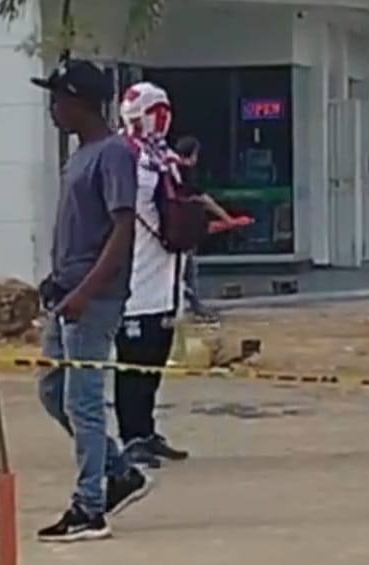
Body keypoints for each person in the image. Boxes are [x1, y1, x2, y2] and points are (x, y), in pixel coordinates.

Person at [31, 59, 152, 543]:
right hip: (68, 294)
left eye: (58, 98)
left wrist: (85, 292)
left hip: (93, 299)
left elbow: (122, 232)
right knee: (52, 391)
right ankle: (118, 471)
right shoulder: (79, 156)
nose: (53, 107)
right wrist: (58, 281)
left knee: (83, 402)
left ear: (80, 101)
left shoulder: (114, 155)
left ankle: (89, 508)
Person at [113, 81, 191, 469]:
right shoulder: (125, 157)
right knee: (133, 363)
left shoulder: (162, 158)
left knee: (156, 359)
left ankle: (146, 430)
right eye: (157, 112)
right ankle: (131, 436)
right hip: (134, 281)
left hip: (166, 279)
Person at [174, 136, 237, 322]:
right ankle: (194, 305)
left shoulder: (170, 169)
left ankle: (192, 303)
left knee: (184, 268)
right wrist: (228, 219)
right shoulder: (184, 172)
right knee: (188, 268)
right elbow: (203, 199)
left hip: (174, 228)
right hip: (182, 229)